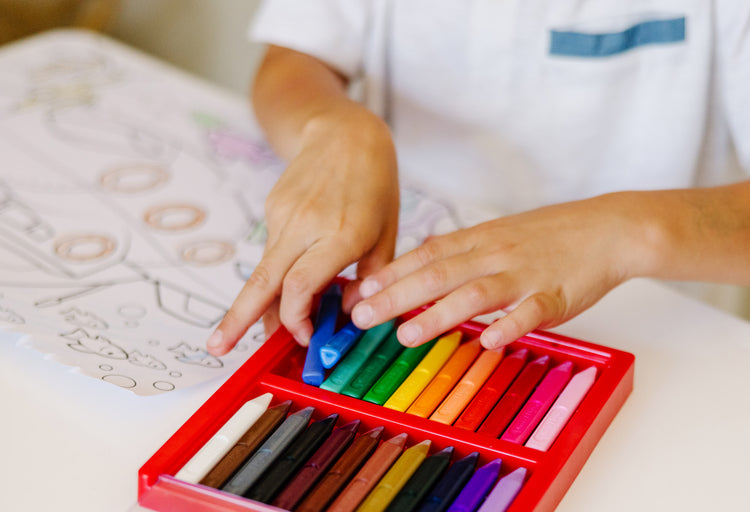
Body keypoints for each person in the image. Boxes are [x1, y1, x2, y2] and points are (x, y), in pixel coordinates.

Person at [206, 1, 750, 358]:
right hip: (412, 309)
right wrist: (331, 126)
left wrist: (628, 232)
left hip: (657, 334)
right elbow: (292, 58)